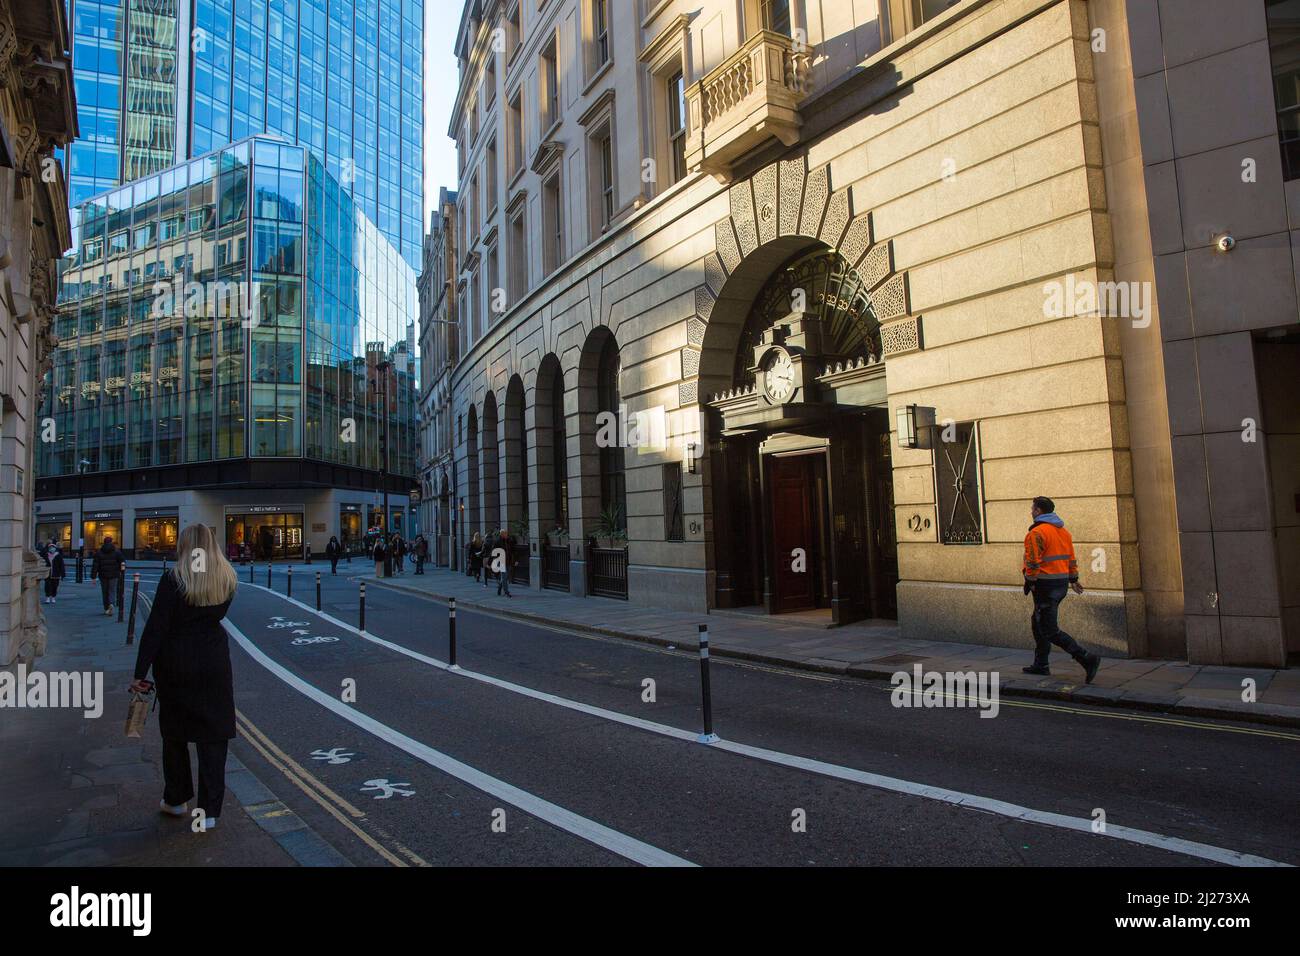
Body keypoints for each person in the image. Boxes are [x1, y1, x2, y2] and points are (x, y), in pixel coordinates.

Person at [129, 523, 237, 831]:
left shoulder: (174, 578)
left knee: (175, 735)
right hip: (214, 662)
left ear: (186, 546)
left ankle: (176, 799)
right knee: (214, 738)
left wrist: (140, 672)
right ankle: (210, 812)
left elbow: (156, 629)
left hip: (176, 664)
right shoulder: (226, 577)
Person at [1022, 495, 1101, 682]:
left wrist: (1031, 581)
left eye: (1032, 509)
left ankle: (1087, 658)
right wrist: (1073, 578)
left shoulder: (1036, 533)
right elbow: (1071, 558)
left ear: (1039, 511)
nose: (1031, 512)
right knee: (1037, 623)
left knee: (1049, 630)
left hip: (1044, 585)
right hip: (1060, 584)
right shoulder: (1063, 532)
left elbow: (1033, 561)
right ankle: (1041, 664)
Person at [90, 536, 124, 616]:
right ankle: (111, 603)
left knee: (105, 592)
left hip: (103, 575)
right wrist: (120, 570)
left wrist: (93, 577)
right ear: (111, 542)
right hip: (114, 574)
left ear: (104, 542)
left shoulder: (99, 552)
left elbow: (95, 565)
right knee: (112, 590)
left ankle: (106, 608)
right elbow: (122, 562)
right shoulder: (117, 552)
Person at [496, 528, 515, 597]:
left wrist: (515, 560)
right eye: (505, 533)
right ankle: (506, 592)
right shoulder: (498, 541)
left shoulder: (509, 540)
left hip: (509, 561)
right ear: (501, 534)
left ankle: (499, 587)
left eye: (507, 533)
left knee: (505, 577)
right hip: (502, 562)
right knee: (504, 577)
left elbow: (512, 550)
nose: (507, 534)